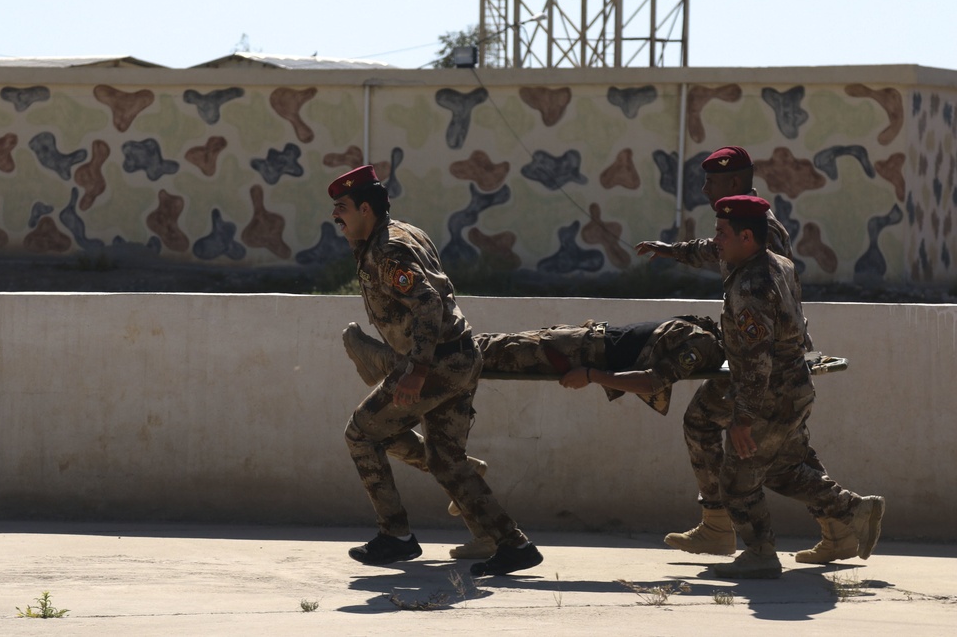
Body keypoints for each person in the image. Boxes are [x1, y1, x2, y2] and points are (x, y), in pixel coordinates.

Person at [345, 314, 727, 558]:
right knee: (475, 364)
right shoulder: (702, 332)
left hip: (574, 351)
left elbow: (651, 381)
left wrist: (592, 376)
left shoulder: (704, 343)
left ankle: (389, 362)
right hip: (577, 341)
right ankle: (487, 535)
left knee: (472, 351)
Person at [635, 146, 852, 565]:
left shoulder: (759, 234)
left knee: (765, 459)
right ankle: (836, 522)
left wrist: (745, 412)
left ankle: (834, 517)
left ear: (733, 183)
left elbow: (760, 325)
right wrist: (670, 250)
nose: (703, 188)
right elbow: (710, 249)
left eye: (711, 181)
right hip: (766, 365)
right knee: (786, 454)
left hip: (766, 367)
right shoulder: (743, 223)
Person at [329, 164, 543, 577]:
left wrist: (416, 370)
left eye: (342, 207)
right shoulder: (403, 233)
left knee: (361, 433)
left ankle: (396, 536)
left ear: (366, 209)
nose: (335, 216)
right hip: (460, 356)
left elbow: (428, 304)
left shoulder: (387, 250)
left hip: (437, 361)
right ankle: (514, 544)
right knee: (445, 459)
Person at [703, 195, 884, 578]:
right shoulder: (779, 263)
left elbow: (757, 360)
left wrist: (743, 418)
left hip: (770, 397)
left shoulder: (751, 286)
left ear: (746, 236)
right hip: (795, 388)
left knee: (736, 480)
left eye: (721, 232)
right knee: (782, 470)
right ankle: (855, 510)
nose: (715, 239)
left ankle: (760, 553)